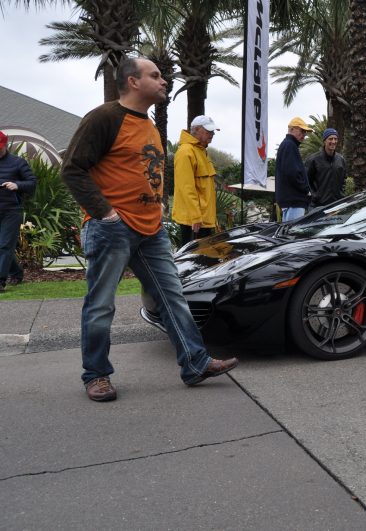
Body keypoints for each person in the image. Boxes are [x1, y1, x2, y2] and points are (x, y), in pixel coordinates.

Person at [61, 56, 238, 402]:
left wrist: (158, 205)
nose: (163, 81)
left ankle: (195, 363)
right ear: (132, 81)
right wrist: (106, 214)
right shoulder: (104, 118)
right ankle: (96, 375)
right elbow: (72, 169)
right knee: (101, 305)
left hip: (151, 229)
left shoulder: (150, 125)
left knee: (172, 296)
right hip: (112, 228)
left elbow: (149, 171)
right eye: (155, 76)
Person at [172, 115, 219, 246]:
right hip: (194, 222)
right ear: (196, 130)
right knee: (194, 262)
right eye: (208, 131)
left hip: (203, 220)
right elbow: (186, 187)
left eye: (213, 131)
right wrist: (195, 217)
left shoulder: (201, 151)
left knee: (205, 261)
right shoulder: (185, 152)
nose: (212, 134)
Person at [0, 131, 37, 292]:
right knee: (2, 247)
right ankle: (16, 272)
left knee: (5, 246)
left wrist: (17, 185)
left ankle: (1, 281)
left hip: (11, 210)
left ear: (5, 145)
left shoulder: (17, 162)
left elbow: (32, 183)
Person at [276, 116, 313, 221]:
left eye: (305, 132)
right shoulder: (289, 145)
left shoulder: (287, 145)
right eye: (302, 130)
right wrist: (306, 190)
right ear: (291, 129)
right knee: (292, 235)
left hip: (290, 201)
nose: (304, 134)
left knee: (288, 234)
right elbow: (292, 173)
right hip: (294, 201)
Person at [305, 127, 346, 208]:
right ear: (324, 141)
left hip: (337, 206)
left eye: (335, 139)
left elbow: (344, 180)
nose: (333, 141)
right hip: (317, 207)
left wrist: (342, 196)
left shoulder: (341, 160)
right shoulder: (313, 160)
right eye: (330, 139)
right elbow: (306, 181)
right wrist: (314, 196)